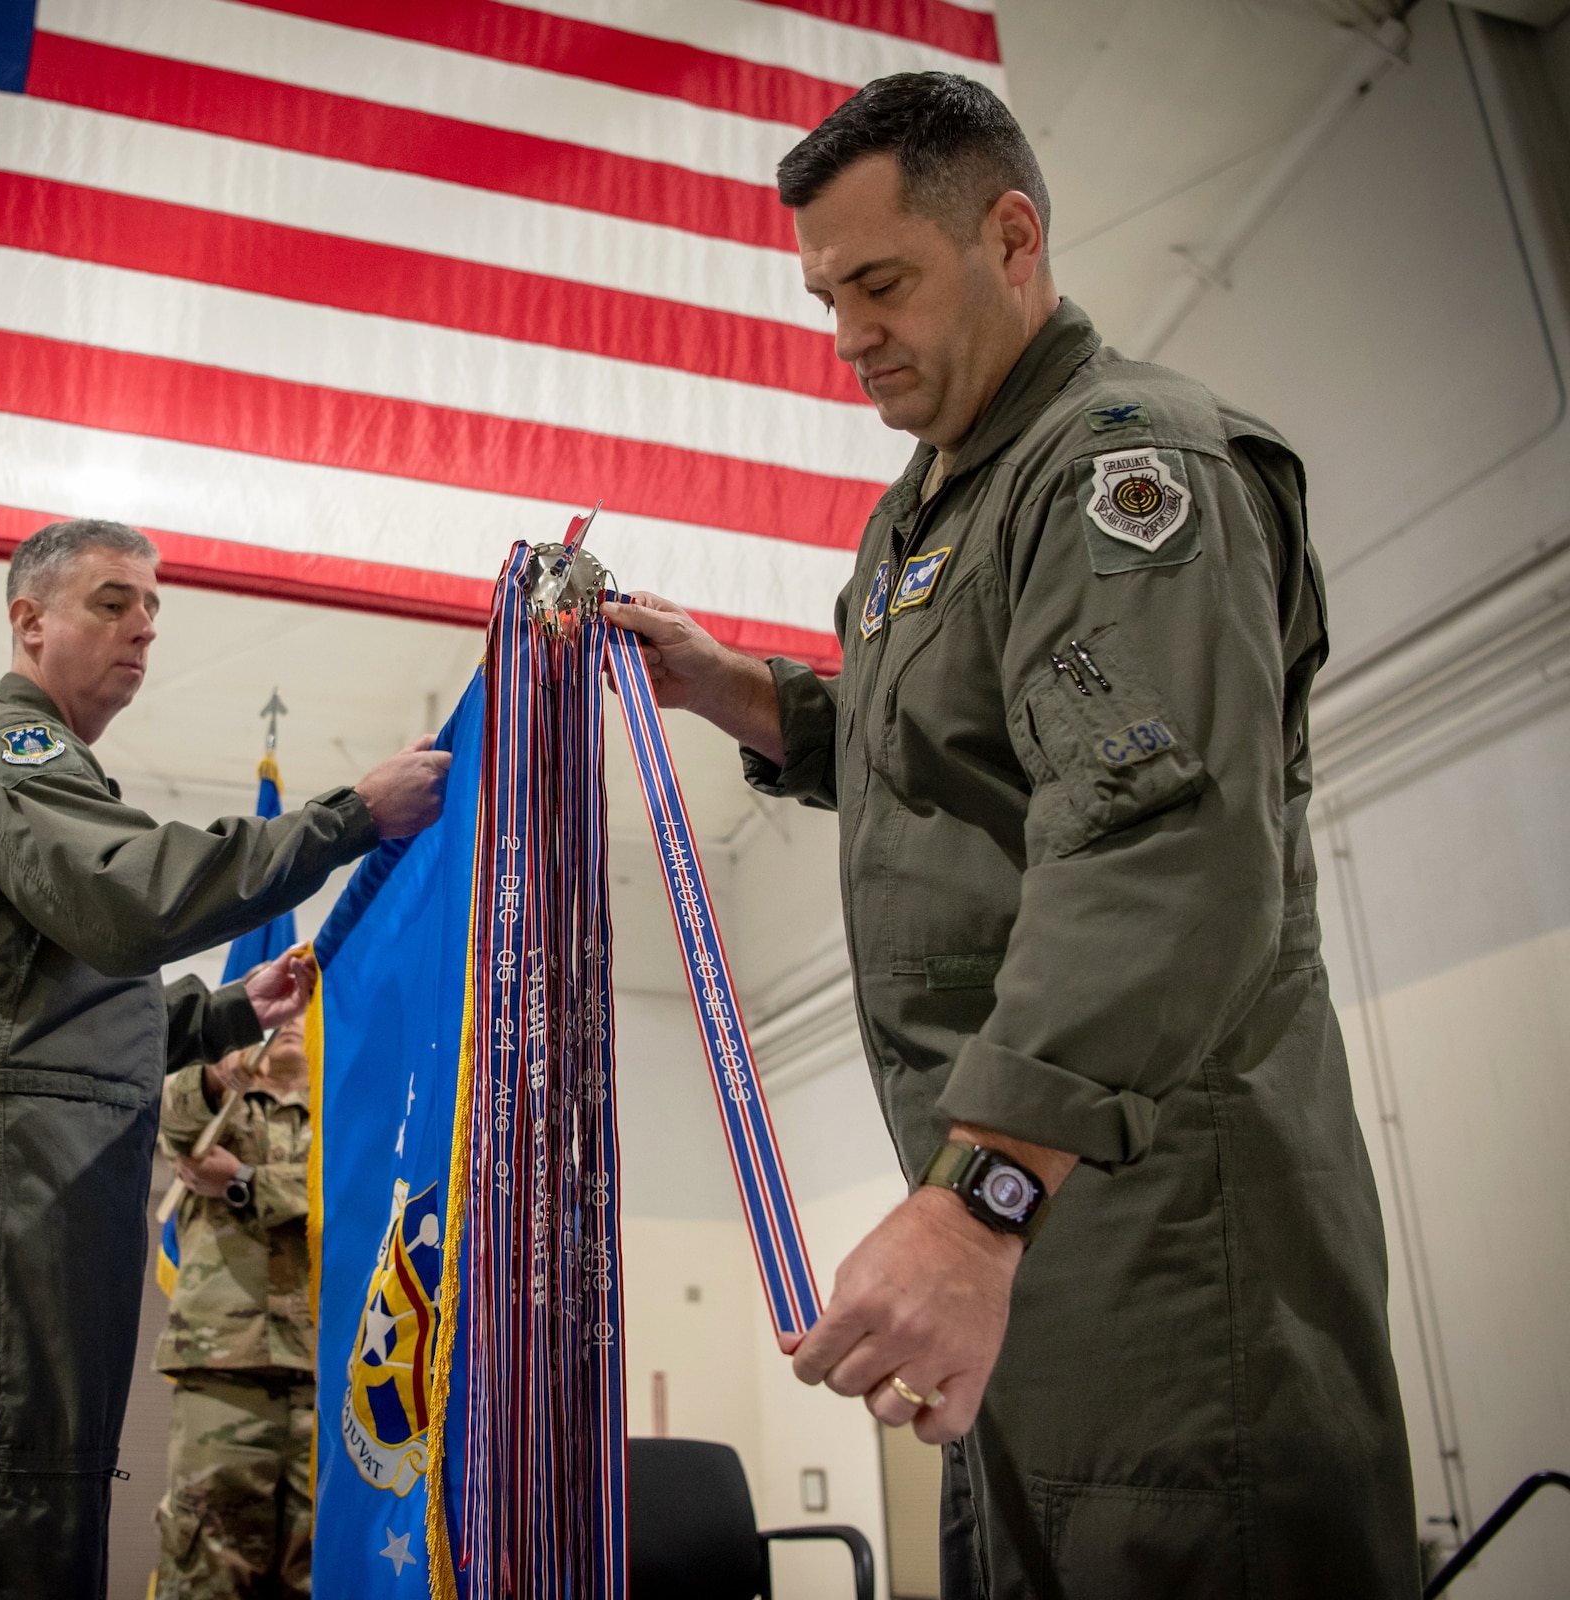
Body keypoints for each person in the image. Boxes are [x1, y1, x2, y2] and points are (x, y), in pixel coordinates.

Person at [605, 75, 1418, 1599]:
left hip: (1154, 1211)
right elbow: (953, 764)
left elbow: (1156, 844)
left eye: (884, 282)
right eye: (828, 294)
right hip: (1039, 1197)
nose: (850, 335)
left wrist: (978, 1201)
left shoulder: (1127, 470)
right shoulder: (927, 512)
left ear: (1014, 236)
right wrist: (735, 694)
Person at [0, 519, 450, 1599]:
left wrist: (221, 1016)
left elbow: (54, 1011)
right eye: (112, 602)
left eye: (152, 609)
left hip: (32, 1163)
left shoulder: (49, 772)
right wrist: (349, 817)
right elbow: (128, 897)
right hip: (3, 1171)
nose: (143, 629)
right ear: (29, 622)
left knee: (37, 1492)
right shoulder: (7, 754)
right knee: (4, 1508)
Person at [153, 1017, 316, 1599]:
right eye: (283, 1014)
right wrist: (222, 1073)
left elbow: (346, 1198)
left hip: (324, 1380)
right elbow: (173, 1113)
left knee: (317, 1575)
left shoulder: (343, 1112)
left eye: (309, 1010)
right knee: (206, 1567)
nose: (295, 1023)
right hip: (223, 1376)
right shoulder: (222, 1108)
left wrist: (244, 1179)